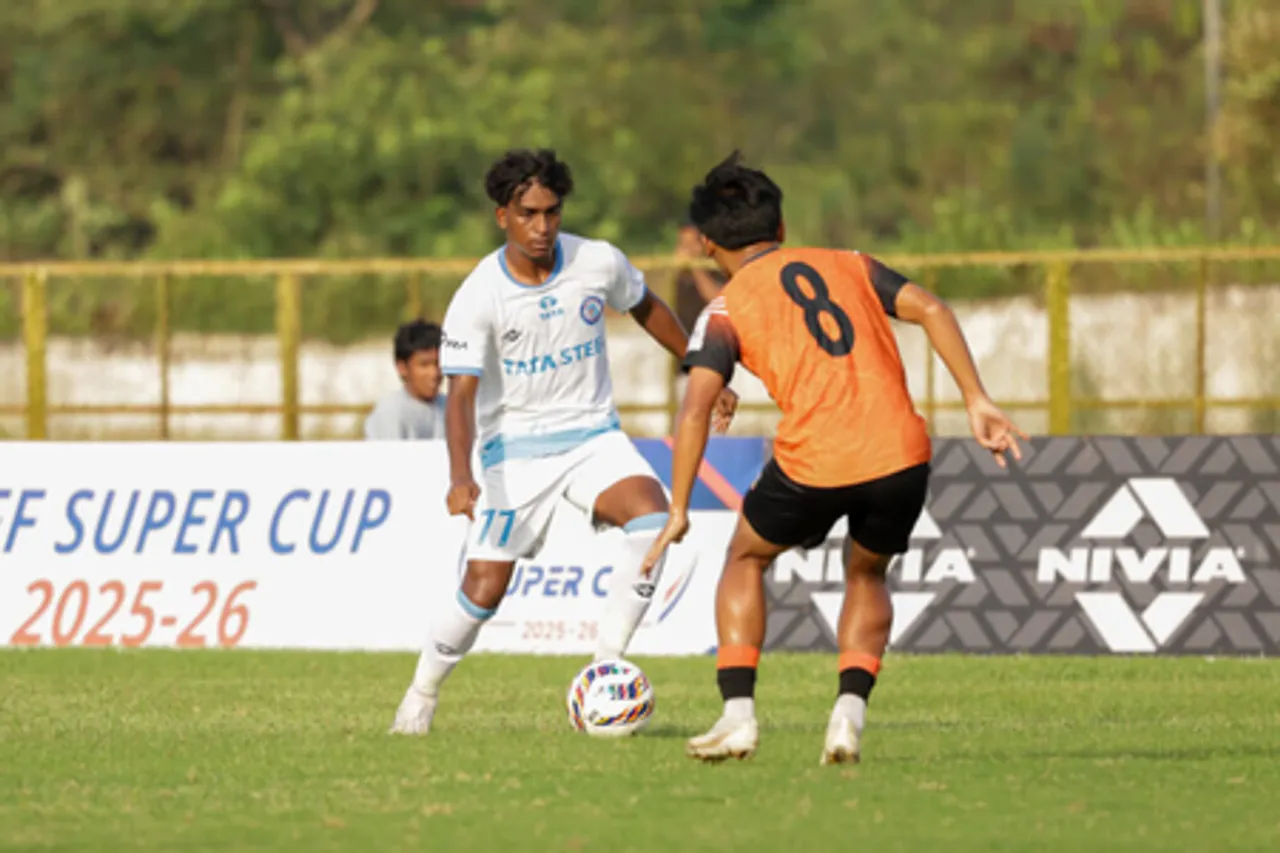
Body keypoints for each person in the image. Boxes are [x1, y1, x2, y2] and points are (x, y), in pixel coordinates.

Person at [642, 152, 1027, 765]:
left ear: (708, 243)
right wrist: (977, 400)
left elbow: (694, 412)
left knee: (745, 556)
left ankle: (738, 717)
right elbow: (932, 308)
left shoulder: (725, 307)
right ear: (783, 227)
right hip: (901, 454)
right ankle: (847, 718)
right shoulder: (849, 265)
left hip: (815, 461)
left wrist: (679, 507)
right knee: (867, 573)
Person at [390, 148, 739, 736]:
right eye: (528, 213)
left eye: (552, 212)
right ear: (503, 216)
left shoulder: (596, 262)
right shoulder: (480, 294)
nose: (543, 226)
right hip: (517, 454)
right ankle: (420, 696)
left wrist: (698, 366)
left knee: (656, 523)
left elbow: (647, 305)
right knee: (482, 590)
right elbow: (461, 396)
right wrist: (460, 476)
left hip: (593, 438)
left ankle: (607, 668)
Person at [363, 319, 446, 440]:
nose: (434, 373)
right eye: (424, 365)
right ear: (402, 367)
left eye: (438, 363)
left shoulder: (450, 408)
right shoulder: (390, 413)